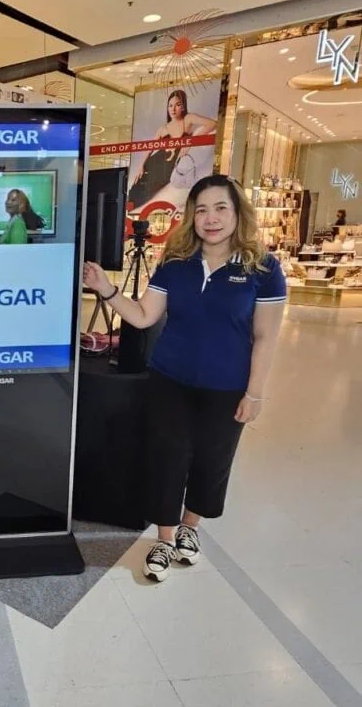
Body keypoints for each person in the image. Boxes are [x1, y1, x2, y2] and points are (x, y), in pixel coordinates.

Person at [84, 175, 286, 583]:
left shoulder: (263, 269)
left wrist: (256, 394)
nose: (210, 219)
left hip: (227, 386)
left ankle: (190, 529)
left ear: (237, 212)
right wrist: (107, 290)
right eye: (201, 210)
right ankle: (163, 535)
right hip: (170, 380)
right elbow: (143, 316)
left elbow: (265, 337)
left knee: (211, 461)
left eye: (220, 208)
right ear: (191, 217)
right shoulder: (175, 264)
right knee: (167, 458)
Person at [128, 90, 217, 210]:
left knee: (149, 192)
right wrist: (141, 166)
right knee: (136, 189)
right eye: (170, 106)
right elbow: (149, 149)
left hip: (168, 167)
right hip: (154, 163)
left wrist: (191, 140)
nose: (173, 109)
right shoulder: (163, 128)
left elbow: (212, 124)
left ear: (183, 106)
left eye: (177, 105)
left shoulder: (188, 119)